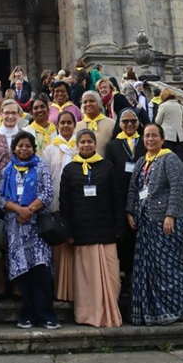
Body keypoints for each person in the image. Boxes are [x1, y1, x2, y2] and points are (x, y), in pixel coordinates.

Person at [127, 123, 183, 326]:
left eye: (154, 136)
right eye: (147, 136)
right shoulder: (142, 161)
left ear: (162, 138)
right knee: (148, 269)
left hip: (165, 222)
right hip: (145, 224)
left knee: (169, 269)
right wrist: (129, 211)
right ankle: (150, 311)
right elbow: (133, 188)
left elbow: (177, 188)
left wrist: (171, 215)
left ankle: (174, 309)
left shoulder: (170, 158)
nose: (150, 139)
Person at [59, 128, 123, 327]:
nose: (86, 145)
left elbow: (117, 198)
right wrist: (68, 230)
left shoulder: (107, 167)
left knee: (112, 276)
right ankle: (88, 315)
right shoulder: (70, 169)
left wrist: (119, 226)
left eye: (89, 142)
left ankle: (109, 313)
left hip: (105, 228)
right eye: (82, 142)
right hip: (81, 229)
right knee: (86, 279)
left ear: (95, 144)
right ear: (77, 145)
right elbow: (65, 203)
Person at [0, 131, 59, 329]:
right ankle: (28, 313)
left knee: (40, 269)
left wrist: (29, 210)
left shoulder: (41, 166)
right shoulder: (7, 169)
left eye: (27, 146)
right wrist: (20, 210)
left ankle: (46, 314)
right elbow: (1, 197)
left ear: (34, 148)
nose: (23, 149)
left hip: (36, 226)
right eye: (20, 145)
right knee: (22, 272)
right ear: (14, 148)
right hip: (15, 226)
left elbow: (47, 192)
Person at [105, 108, 146, 295]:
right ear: (119, 124)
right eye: (125, 121)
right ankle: (126, 276)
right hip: (120, 197)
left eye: (133, 121)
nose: (129, 124)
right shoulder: (113, 145)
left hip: (143, 197)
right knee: (125, 240)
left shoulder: (145, 141)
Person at [41, 109, 78, 302]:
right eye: (62, 123)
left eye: (69, 123)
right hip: (56, 204)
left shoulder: (81, 146)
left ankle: (77, 290)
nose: (65, 126)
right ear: (57, 125)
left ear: (74, 125)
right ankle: (61, 290)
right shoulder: (50, 149)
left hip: (79, 205)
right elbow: (46, 178)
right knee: (59, 249)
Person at [75, 91, 115, 157]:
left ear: (99, 103)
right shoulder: (76, 126)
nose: (88, 104)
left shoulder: (111, 124)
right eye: (85, 102)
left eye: (91, 101)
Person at [154, 89, 183, 167]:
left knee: (168, 158)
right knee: (180, 159)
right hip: (179, 136)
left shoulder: (163, 106)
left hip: (167, 136)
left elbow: (157, 121)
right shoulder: (180, 105)